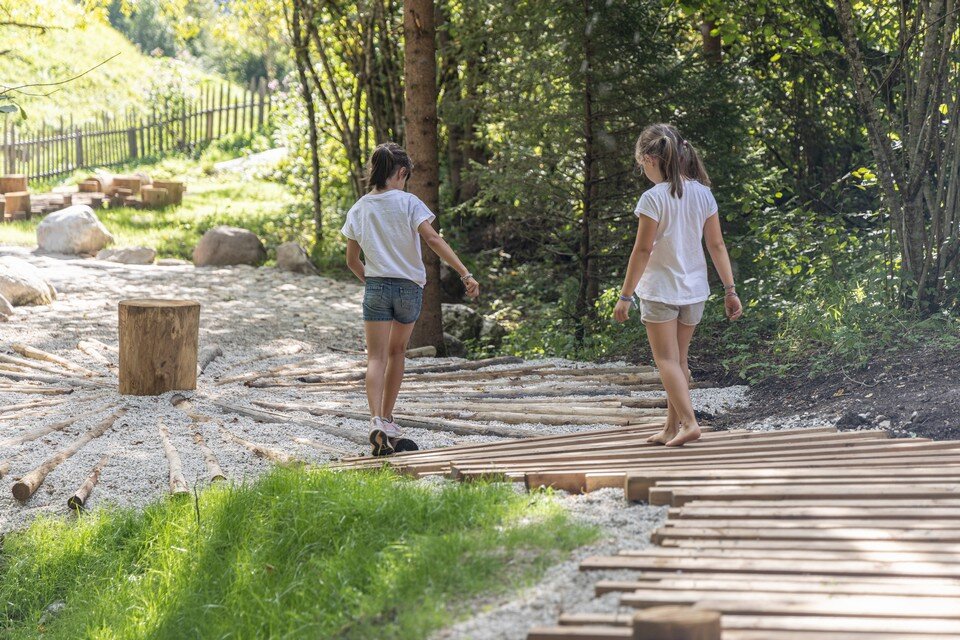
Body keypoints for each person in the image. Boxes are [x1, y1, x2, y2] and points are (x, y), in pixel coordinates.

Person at [342, 142, 480, 456]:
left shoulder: (360, 207)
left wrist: (373, 282)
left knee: (375, 358)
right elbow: (432, 238)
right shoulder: (408, 202)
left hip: (377, 287)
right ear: (402, 173)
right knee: (397, 353)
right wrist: (464, 273)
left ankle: (377, 420)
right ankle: (387, 419)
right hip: (408, 289)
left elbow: (352, 260)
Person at [613, 123, 742, 447]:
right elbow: (717, 246)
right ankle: (672, 427)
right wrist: (730, 289)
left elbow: (642, 251)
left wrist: (625, 296)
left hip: (660, 290)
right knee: (679, 361)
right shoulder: (703, 193)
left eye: (642, 165)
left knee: (666, 362)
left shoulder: (653, 198)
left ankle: (689, 422)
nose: (644, 171)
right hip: (694, 290)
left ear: (649, 158)